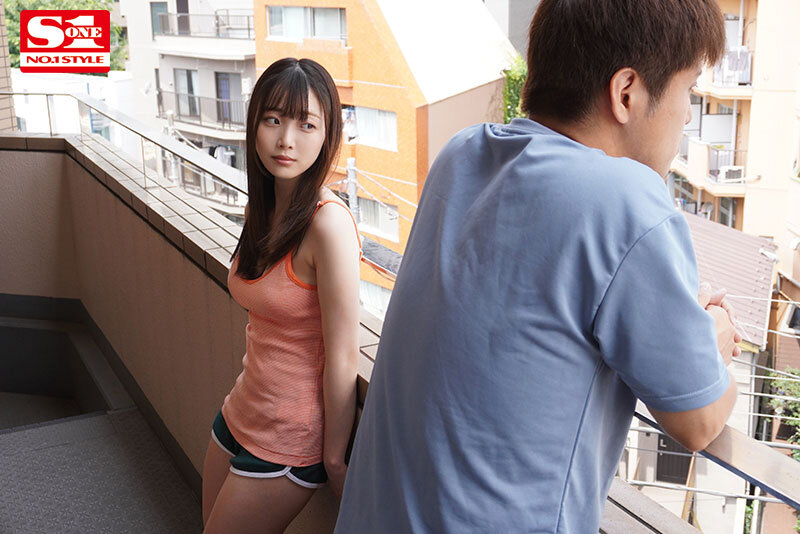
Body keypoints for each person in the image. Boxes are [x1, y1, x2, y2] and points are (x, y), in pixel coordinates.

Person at [335, 1, 741, 532]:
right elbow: (699, 420)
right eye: (688, 89)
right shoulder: (625, 202)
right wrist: (712, 339)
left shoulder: (461, 155)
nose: (688, 115)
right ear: (626, 93)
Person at [202, 58, 361, 534]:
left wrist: (334, 458)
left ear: (327, 134)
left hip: (289, 437)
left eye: (305, 124)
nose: (286, 139)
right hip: (241, 408)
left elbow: (344, 355)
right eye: (273, 119)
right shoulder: (265, 202)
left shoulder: (329, 225)